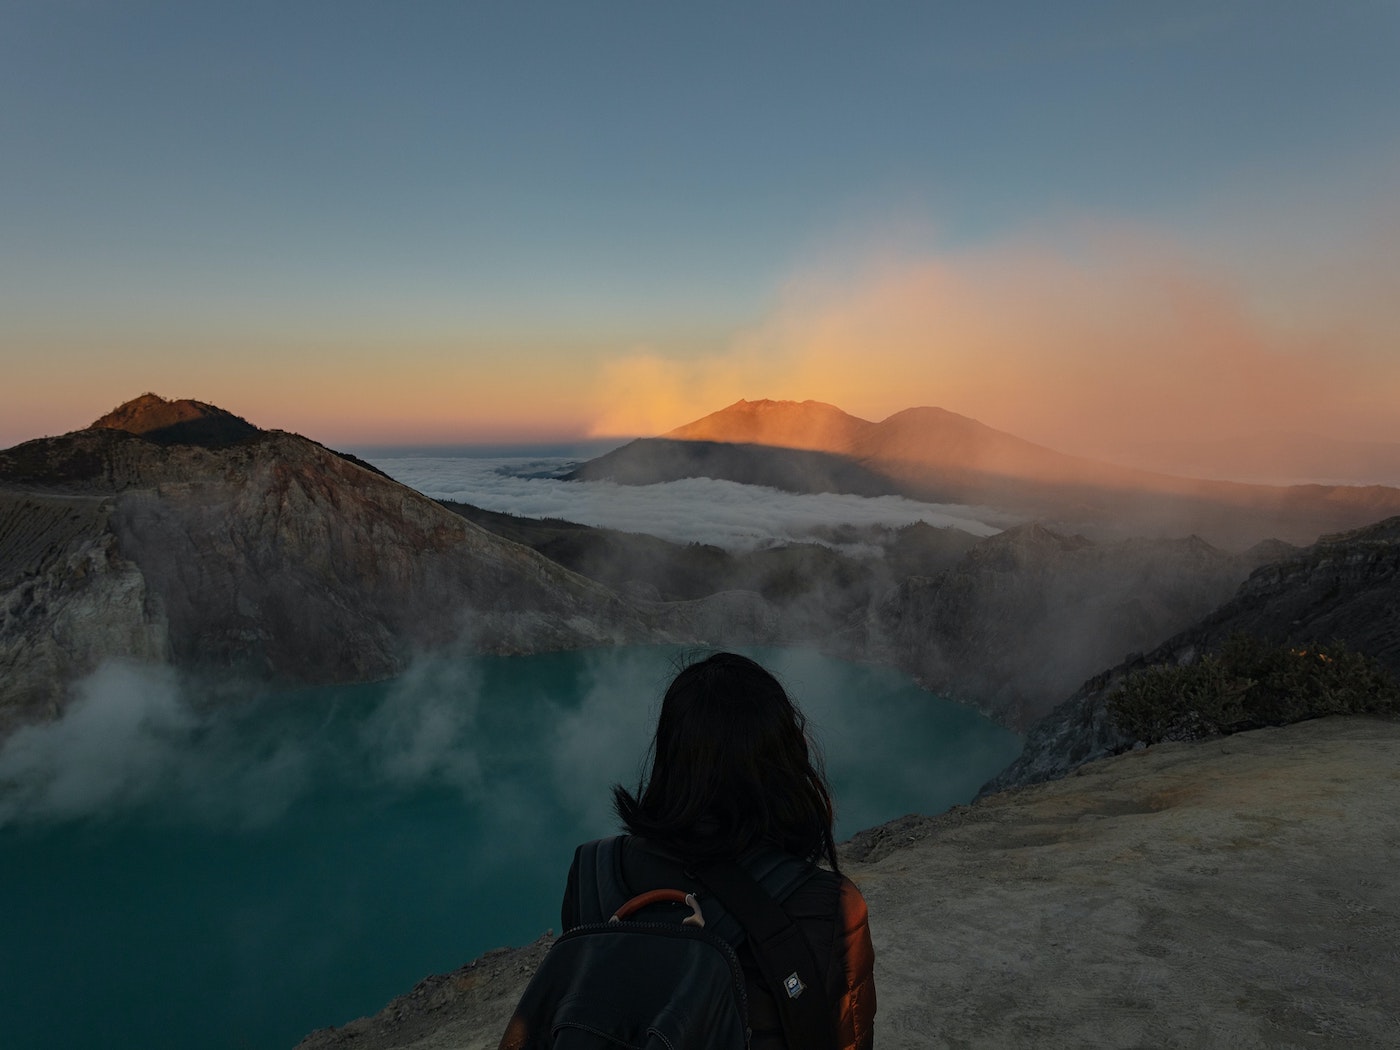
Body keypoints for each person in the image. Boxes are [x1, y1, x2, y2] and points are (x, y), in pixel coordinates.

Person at [559, 651, 876, 1050]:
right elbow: (850, 1040)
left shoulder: (591, 870)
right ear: (784, 761)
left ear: (670, 757)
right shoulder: (831, 905)